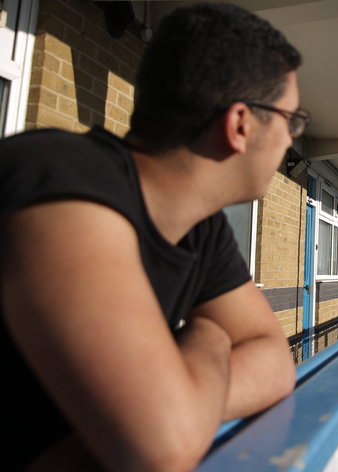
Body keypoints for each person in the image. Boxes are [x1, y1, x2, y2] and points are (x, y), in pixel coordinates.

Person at [0, 4, 305, 470]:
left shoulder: (200, 228)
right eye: (291, 120)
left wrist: (178, 396)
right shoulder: (62, 184)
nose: (290, 141)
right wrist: (210, 334)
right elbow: (162, 446)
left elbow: (273, 362)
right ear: (240, 124)